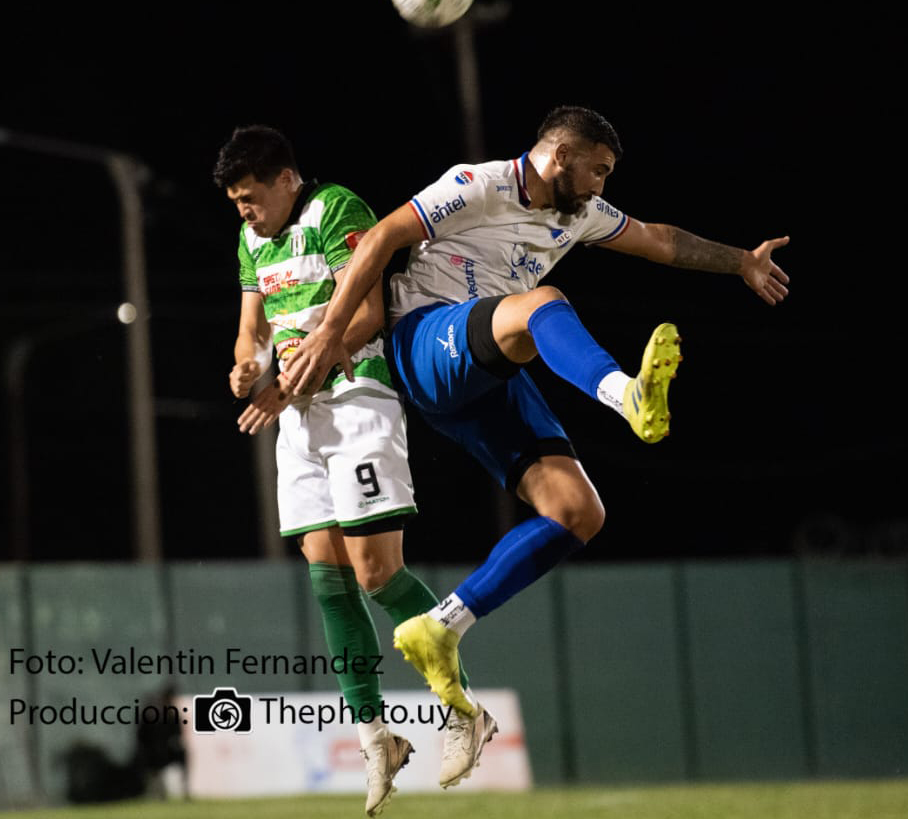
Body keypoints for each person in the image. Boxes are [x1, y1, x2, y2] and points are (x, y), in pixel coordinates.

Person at [240, 106, 790, 718]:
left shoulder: (580, 213)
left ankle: (444, 625)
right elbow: (381, 238)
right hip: (425, 336)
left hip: (486, 364)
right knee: (539, 304)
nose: (601, 187)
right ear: (560, 157)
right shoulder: (477, 184)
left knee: (578, 513)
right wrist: (330, 333)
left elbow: (659, 239)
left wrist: (741, 261)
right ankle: (624, 394)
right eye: (597, 171)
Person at [214, 125, 497, 816]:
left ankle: (464, 708)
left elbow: (367, 314)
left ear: (286, 179)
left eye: (251, 197)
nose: (245, 211)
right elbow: (252, 330)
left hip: (355, 400)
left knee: (376, 574)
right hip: (298, 420)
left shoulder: (335, 208)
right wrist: (247, 367)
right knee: (328, 581)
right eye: (236, 202)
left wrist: (292, 375)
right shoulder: (251, 239)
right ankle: (377, 739)